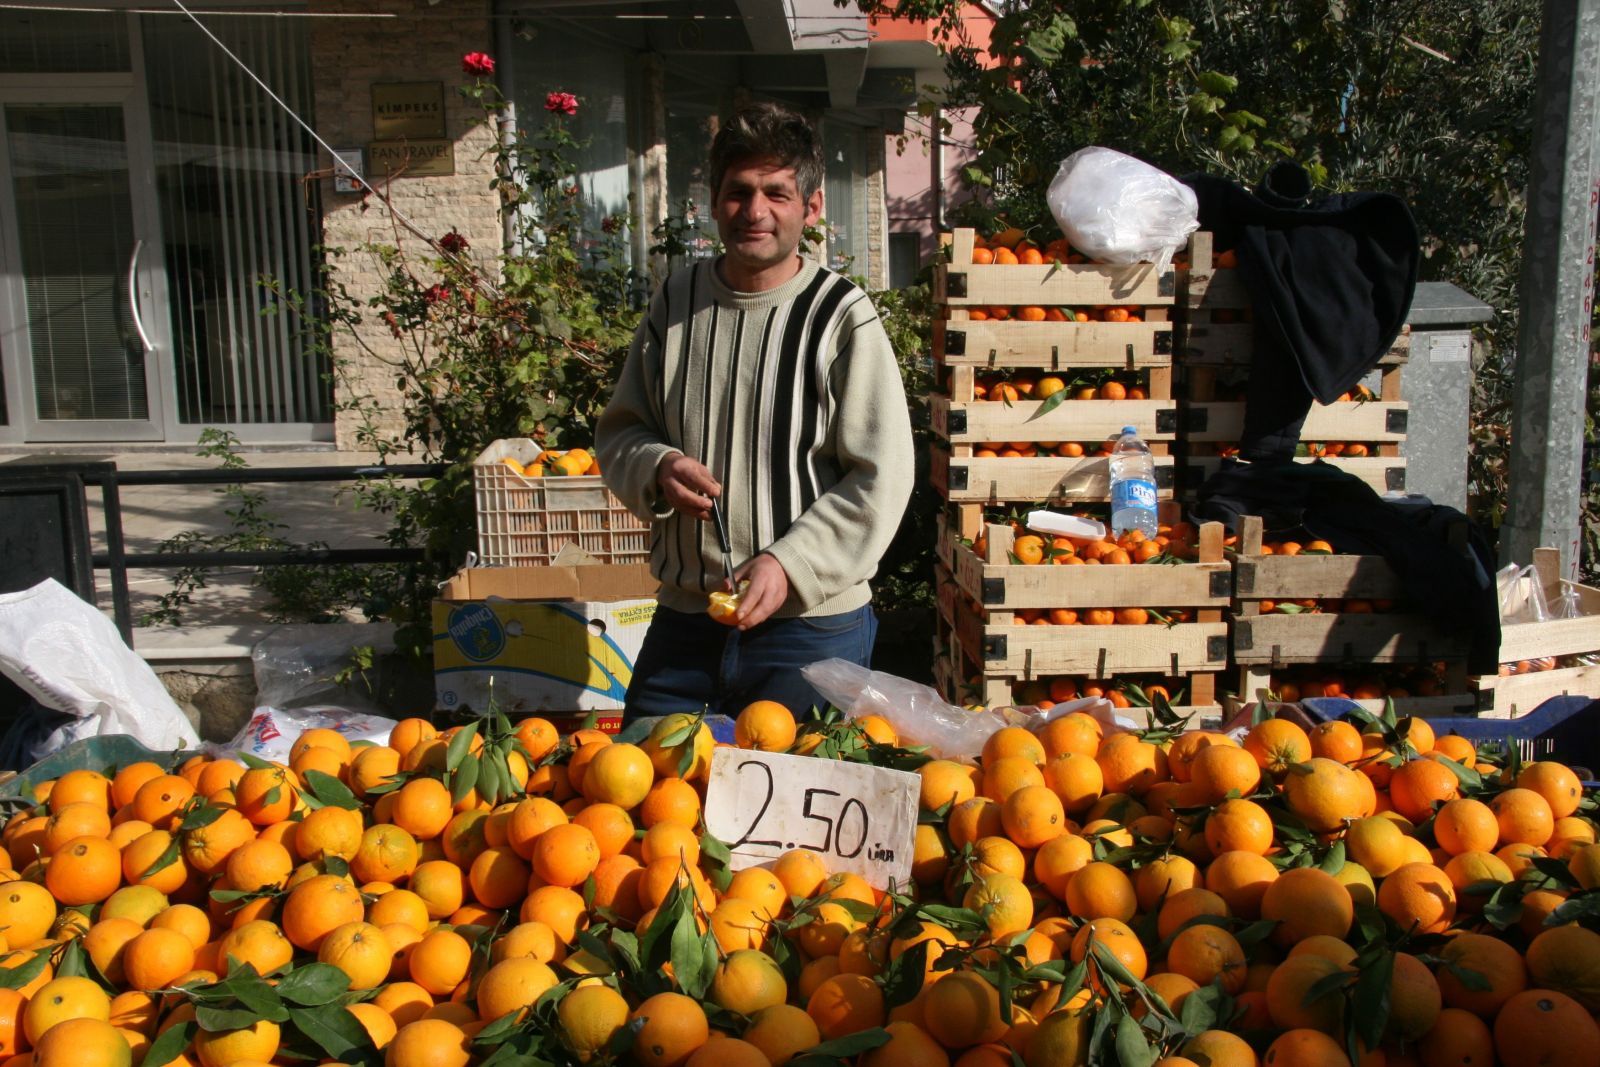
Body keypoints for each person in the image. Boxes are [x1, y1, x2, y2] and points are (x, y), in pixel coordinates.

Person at [595, 101, 914, 721]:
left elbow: (884, 474)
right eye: (738, 193)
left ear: (811, 208)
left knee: (794, 813)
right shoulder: (676, 301)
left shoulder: (839, 315)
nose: (756, 211)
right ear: (713, 203)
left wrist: (789, 562)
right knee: (642, 798)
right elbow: (622, 430)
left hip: (812, 629)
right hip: (686, 621)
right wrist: (657, 466)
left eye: (777, 193)